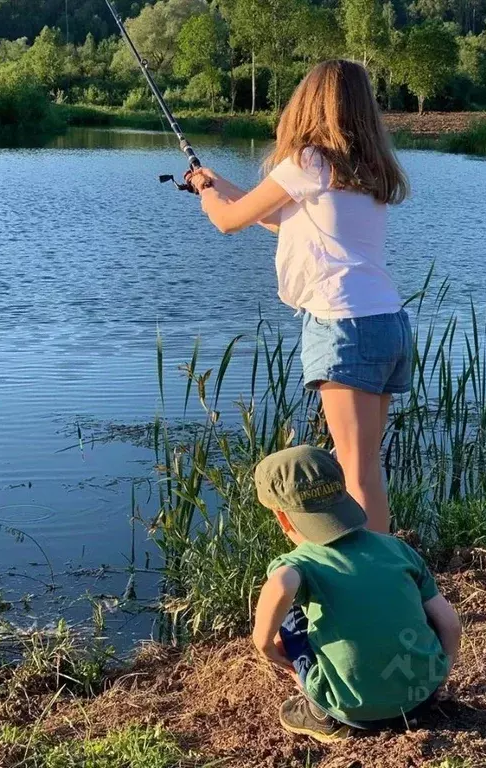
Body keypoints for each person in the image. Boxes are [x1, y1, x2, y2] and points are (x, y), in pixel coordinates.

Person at [187, 59, 411, 534]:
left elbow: (229, 220)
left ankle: (370, 584)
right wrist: (218, 182)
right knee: (366, 467)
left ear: (308, 104)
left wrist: (205, 193)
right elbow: (283, 220)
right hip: (387, 322)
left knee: (355, 470)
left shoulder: (308, 160)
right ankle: (385, 574)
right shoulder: (368, 169)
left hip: (343, 324)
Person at [252, 444, 461, 743]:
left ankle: (321, 713)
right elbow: (450, 624)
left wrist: (265, 646)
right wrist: (442, 672)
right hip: (422, 695)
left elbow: (282, 584)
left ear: (282, 518)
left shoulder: (300, 564)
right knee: (405, 600)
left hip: (350, 708)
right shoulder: (397, 549)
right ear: (343, 494)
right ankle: (410, 695)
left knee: (290, 610)